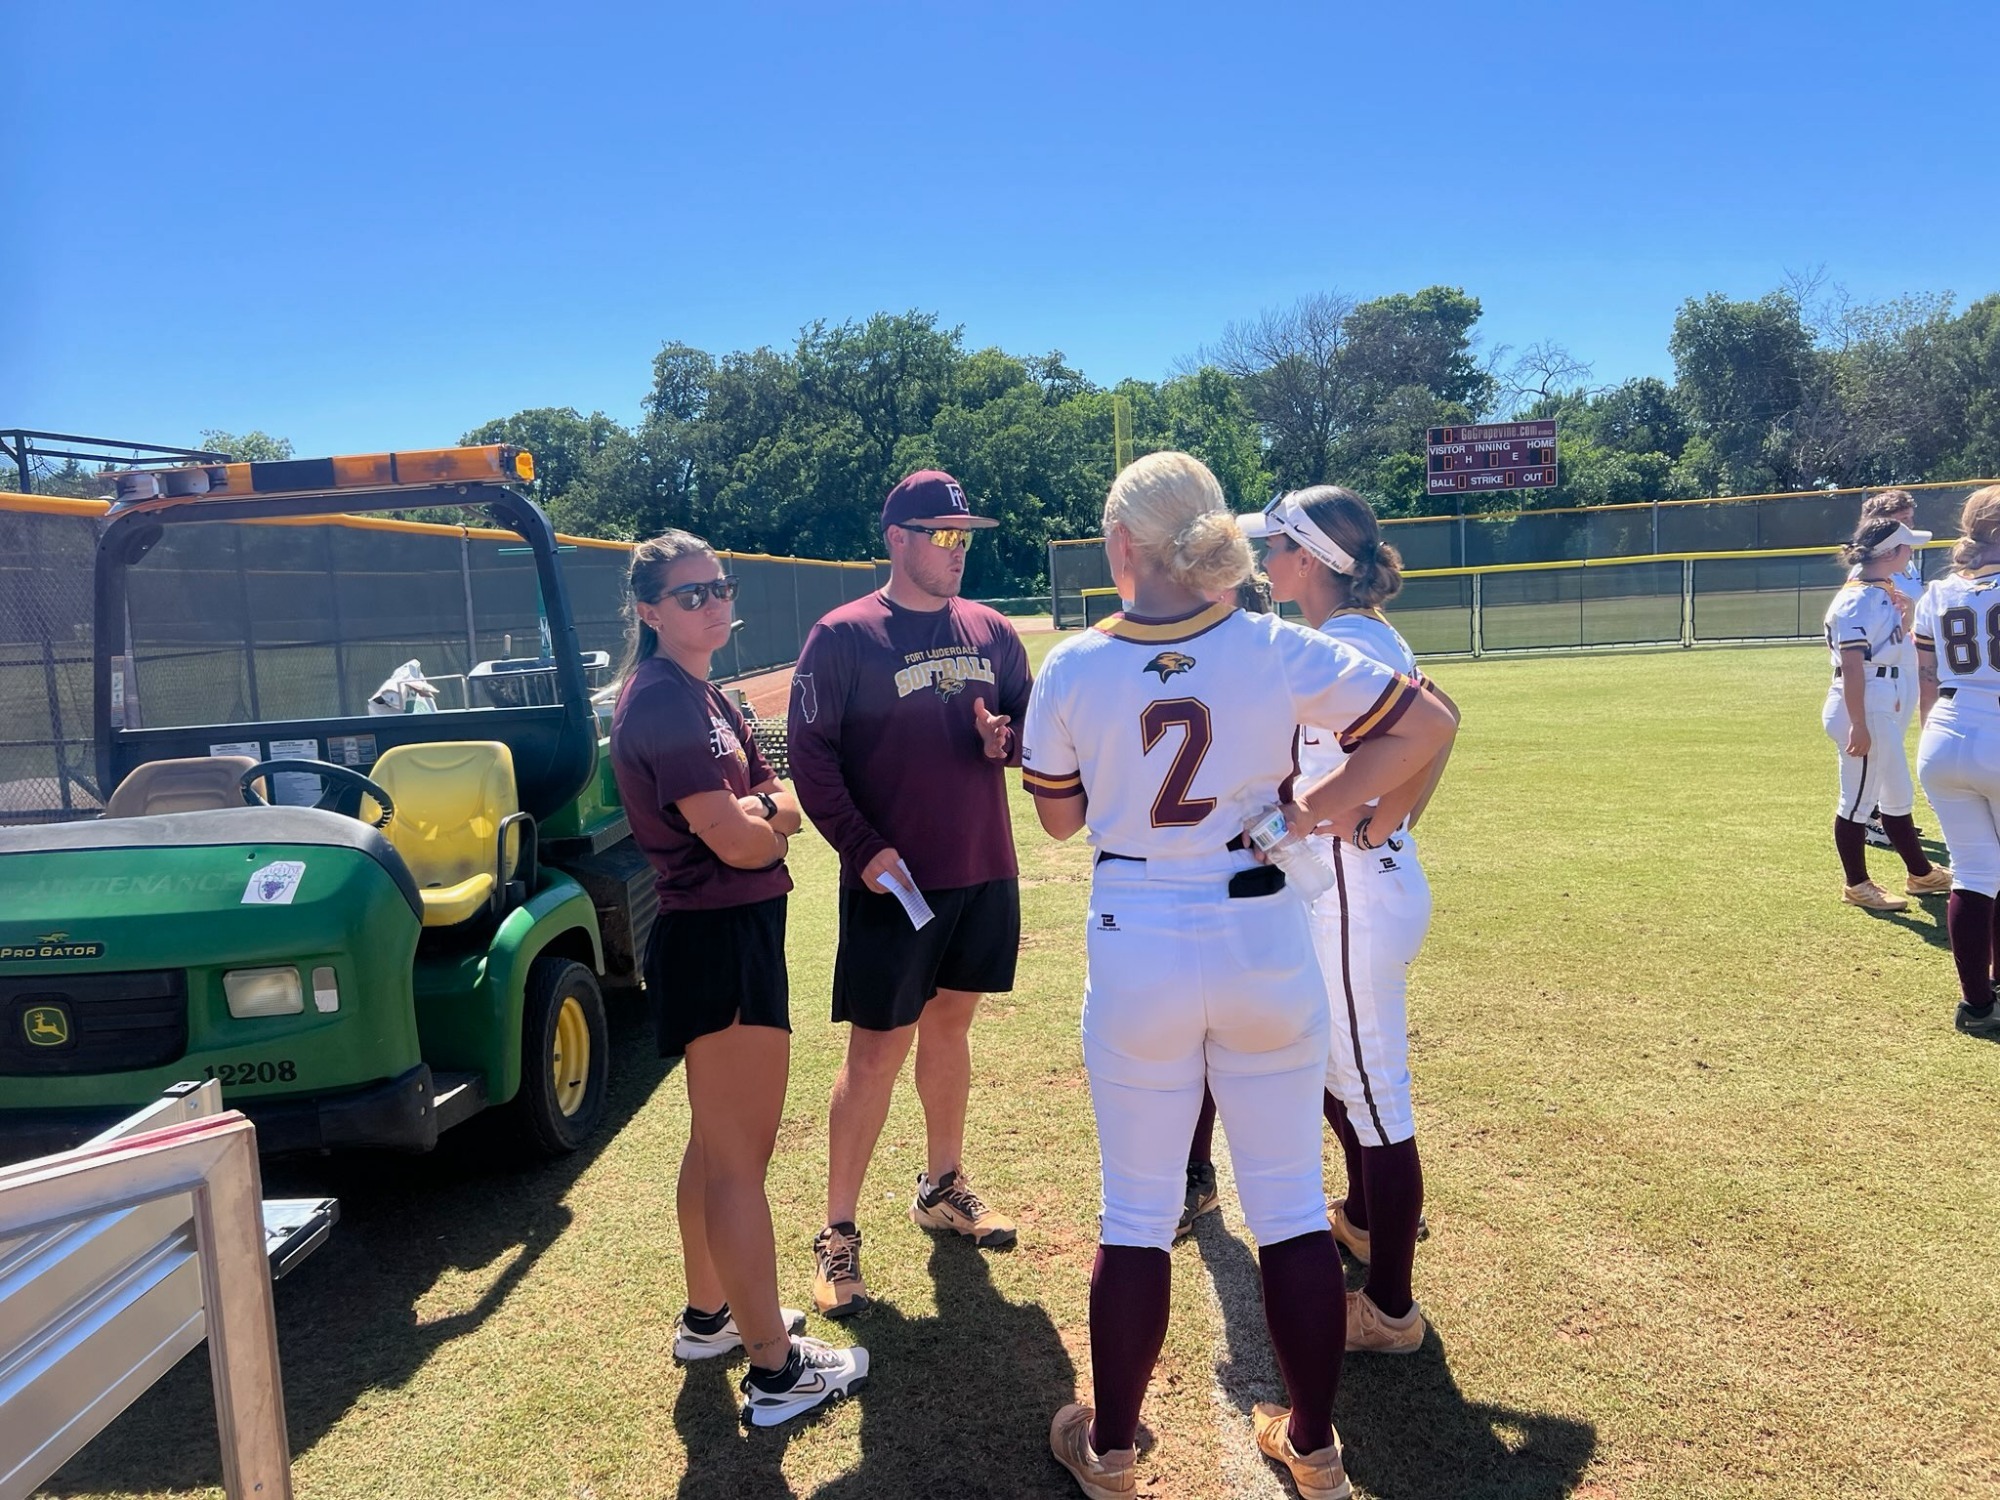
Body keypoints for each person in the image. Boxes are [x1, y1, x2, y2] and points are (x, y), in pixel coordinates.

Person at [1023, 452, 1457, 1500]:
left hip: (1137, 934)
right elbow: (1428, 722)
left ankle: (1111, 1450)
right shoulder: (1271, 643)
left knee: (1135, 1214)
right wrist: (1310, 810)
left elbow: (1058, 816)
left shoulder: (1072, 665)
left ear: (1121, 545)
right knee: (1292, 1209)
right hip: (1261, 926)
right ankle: (1313, 1448)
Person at [610, 531, 867, 1428]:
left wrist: (761, 810)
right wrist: (761, 815)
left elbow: (780, 799)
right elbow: (743, 841)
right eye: (691, 595)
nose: (714, 603)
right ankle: (774, 1370)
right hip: (715, 938)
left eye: (720, 587)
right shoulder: (662, 702)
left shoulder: (707, 692)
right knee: (737, 1163)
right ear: (650, 610)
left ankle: (710, 1317)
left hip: (734, 933)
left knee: (714, 1148)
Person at [787, 470, 1034, 1320]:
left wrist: (1007, 739)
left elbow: (1030, 727)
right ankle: (837, 1231)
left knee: (952, 1026)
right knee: (875, 1052)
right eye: (943, 534)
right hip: (893, 882)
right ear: (897, 538)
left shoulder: (991, 630)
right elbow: (810, 757)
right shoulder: (843, 635)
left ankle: (941, 1185)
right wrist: (862, 848)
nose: (959, 550)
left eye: (966, 536)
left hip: (982, 864)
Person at [1239, 484, 1454, 1355]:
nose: (1266, 561)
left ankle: (1391, 1312)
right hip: (1360, 884)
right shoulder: (1364, 634)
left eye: (1276, 547)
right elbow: (1442, 721)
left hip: (1352, 894)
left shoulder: (1343, 642)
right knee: (1339, 1070)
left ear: (1310, 560)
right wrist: (1387, 815)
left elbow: (1433, 728)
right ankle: (1365, 1218)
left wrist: (1334, 815)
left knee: (1375, 1095)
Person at [1823, 515, 1951, 910]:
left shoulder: (1880, 591)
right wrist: (1859, 723)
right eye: (1906, 546)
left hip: (1878, 696)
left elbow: (1889, 647)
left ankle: (1920, 873)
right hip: (1861, 700)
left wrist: (1907, 614)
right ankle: (1857, 884)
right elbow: (1852, 665)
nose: (1911, 552)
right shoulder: (1858, 599)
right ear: (1889, 552)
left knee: (1897, 795)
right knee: (1857, 800)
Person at [1913, 485, 2000, 1037]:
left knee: (1974, 872)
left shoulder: (1939, 591)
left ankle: (1977, 1006)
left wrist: (1934, 741)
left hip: (1945, 730)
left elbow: (1927, 678)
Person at [1852, 490, 1928, 847]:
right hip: (1882, 669)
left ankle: (1890, 816)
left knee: (1893, 744)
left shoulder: (1906, 563)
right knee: (1882, 746)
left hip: (1905, 662)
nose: (1910, 526)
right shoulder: (1867, 570)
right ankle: (1870, 818)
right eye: (1903, 520)